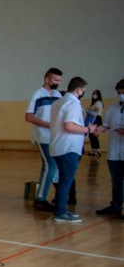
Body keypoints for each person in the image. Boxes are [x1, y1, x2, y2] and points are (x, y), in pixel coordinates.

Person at [48, 77, 105, 223]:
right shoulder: (72, 103)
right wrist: (88, 129)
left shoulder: (58, 102)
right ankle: (60, 212)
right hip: (68, 148)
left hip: (58, 145)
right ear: (79, 90)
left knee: (63, 180)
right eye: (83, 90)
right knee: (66, 181)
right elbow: (69, 126)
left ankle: (62, 209)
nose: (83, 93)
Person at [25, 67, 63, 212]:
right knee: (50, 165)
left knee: (49, 166)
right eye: (55, 80)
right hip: (43, 135)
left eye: (60, 80)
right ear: (47, 79)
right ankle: (40, 200)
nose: (58, 83)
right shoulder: (37, 95)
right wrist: (48, 125)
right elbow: (29, 117)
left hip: (55, 136)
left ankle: (54, 197)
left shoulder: (58, 95)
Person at [96, 78, 124, 218]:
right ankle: (116, 205)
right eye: (119, 92)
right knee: (116, 179)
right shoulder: (113, 107)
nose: (121, 95)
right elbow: (106, 124)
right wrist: (98, 130)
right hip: (114, 152)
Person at [86, 89, 104, 157]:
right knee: (91, 135)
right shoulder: (94, 103)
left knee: (94, 135)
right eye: (93, 93)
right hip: (93, 118)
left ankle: (98, 150)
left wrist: (88, 110)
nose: (94, 95)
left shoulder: (99, 102)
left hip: (96, 118)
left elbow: (96, 111)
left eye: (96, 94)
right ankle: (94, 150)